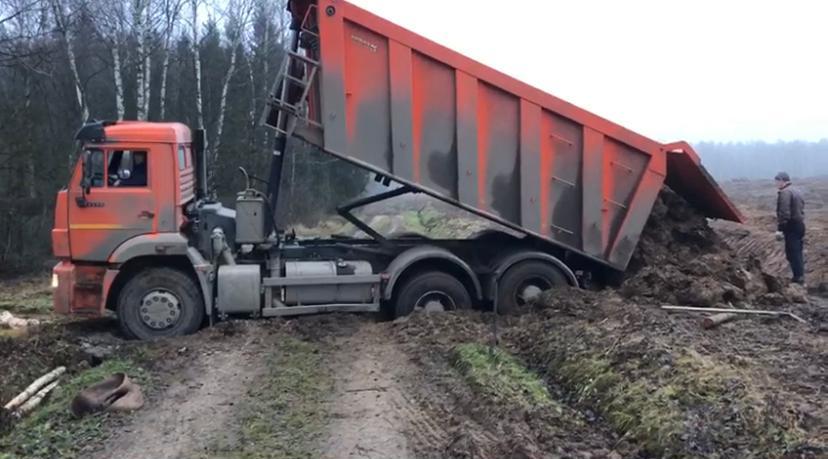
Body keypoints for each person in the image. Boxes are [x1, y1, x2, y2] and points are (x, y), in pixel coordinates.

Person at [774, 172, 805, 284]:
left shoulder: (785, 193)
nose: (776, 184)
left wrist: (780, 228)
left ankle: (798, 278)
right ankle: (799, 276)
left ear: (782, 181)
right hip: (800, 224)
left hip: (791, 225)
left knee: (792, 252)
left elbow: (784, 212)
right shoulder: (797, 191)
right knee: (798, 251)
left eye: (777, 181)